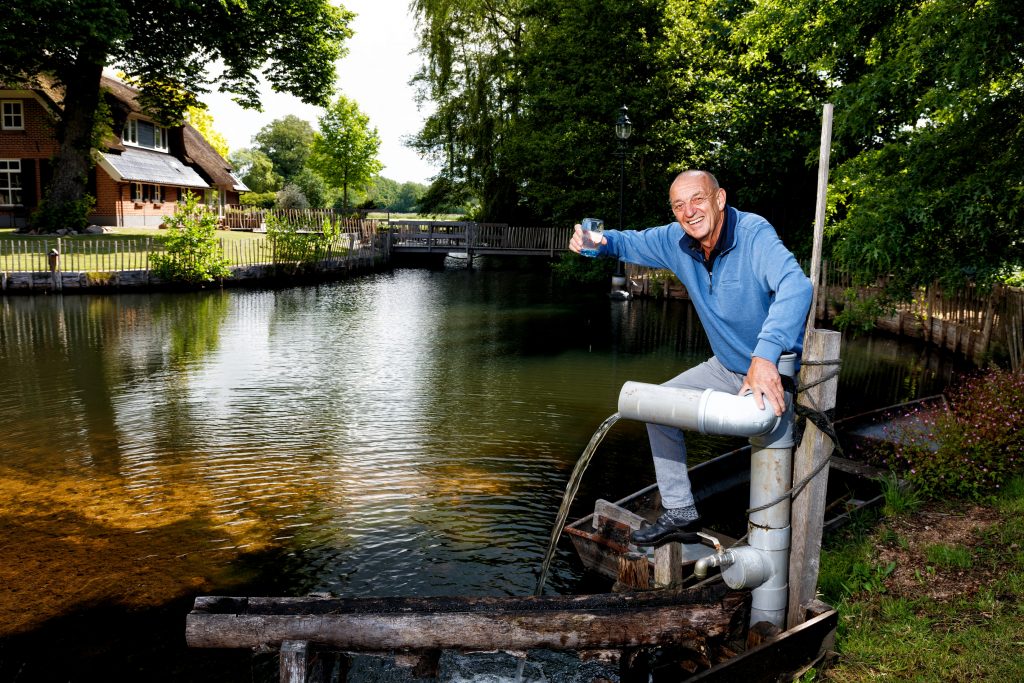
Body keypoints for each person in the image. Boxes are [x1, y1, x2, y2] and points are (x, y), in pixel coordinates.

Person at [569, 170, 813, 546]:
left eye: (697, 199)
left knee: (769, 457)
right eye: (679, 205)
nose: (689, 211)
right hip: (725, 366)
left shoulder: (753, 234)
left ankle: (783, 454)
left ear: (719, 199)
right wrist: (599, 242)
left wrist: (765, 356)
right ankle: (681, 512)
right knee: (656, 405)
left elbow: (796, 286)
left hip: (771, 371)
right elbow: (631, 242)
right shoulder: (677, 240)